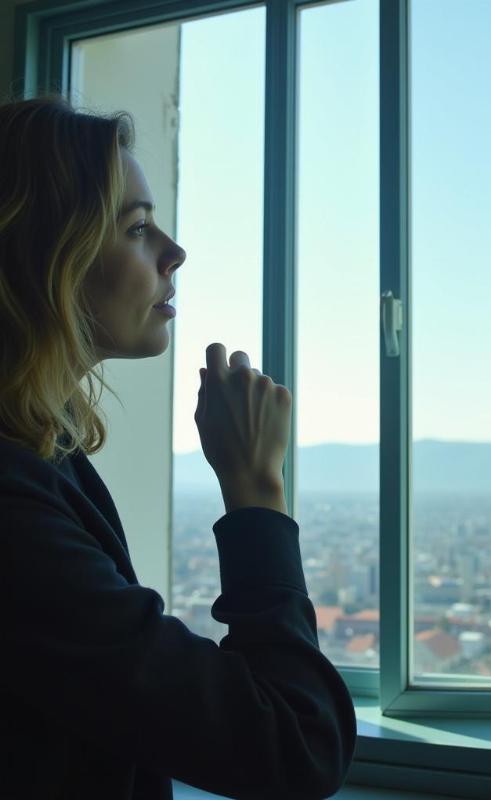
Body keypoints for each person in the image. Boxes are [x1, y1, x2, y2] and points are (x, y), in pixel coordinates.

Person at [0, 93, 357, 799]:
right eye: (138, 229)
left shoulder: (45, 456)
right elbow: (293, 746)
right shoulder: (13, 506)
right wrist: (256, 492)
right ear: (47, 254)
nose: (175, 252)